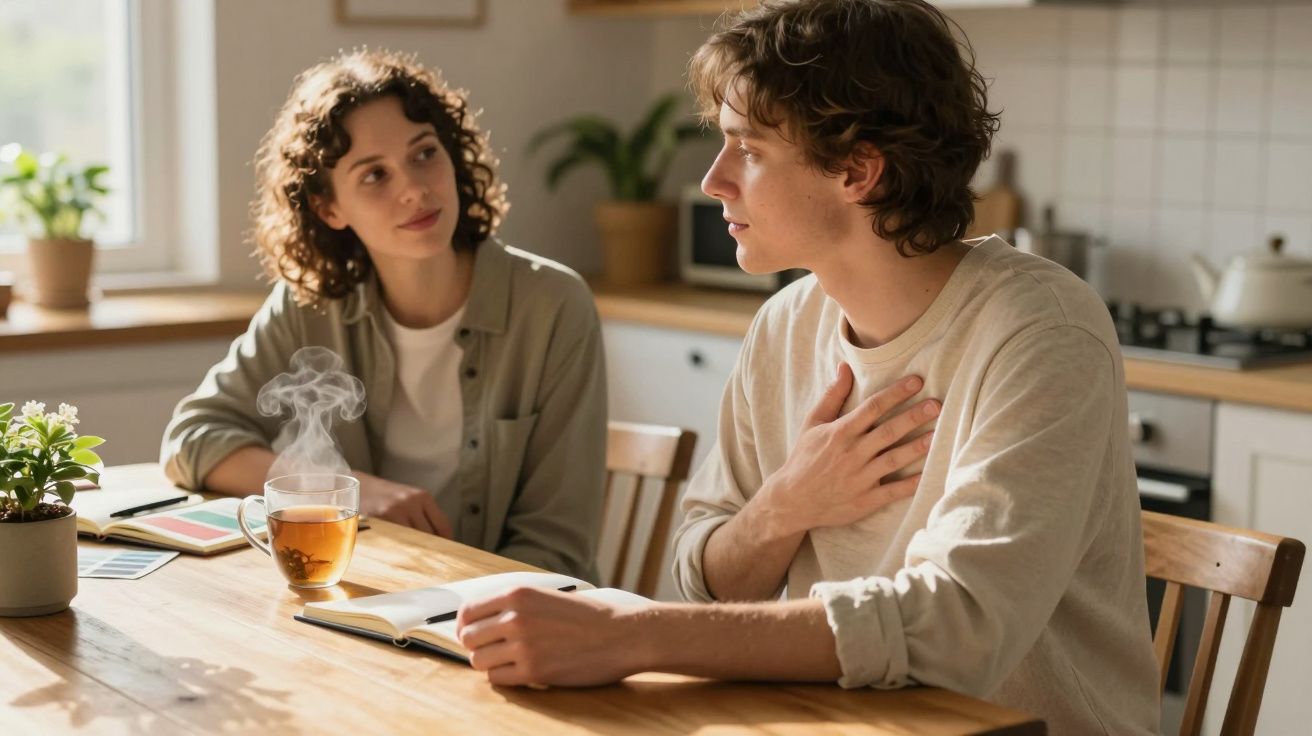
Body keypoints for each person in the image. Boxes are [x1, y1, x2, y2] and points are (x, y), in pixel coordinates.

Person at [452, 2, 1160, 732]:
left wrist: (633, 634)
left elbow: (958, 626)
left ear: (857, 169)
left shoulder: (1041, 330)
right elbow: (704, 579)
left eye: (748, 150)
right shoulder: (787, 323)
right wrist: (787, 504)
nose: (712, 182)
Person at [160, 49, 606, 581]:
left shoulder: (553, 305)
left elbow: (555, 548)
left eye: (424, 154)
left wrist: (445, 607)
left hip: (506, 619)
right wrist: (355, 490)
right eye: (374, 175)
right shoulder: (310, 305)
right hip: (366, 603)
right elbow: (192, 440)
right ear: (330, 209)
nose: (415, 189)